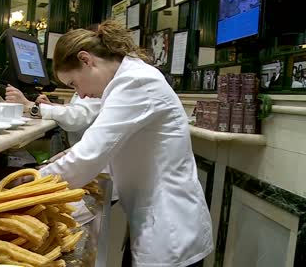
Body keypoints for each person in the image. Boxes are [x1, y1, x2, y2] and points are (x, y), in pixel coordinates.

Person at [37, 20, 213, 266]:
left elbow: (91, 154)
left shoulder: (136, 82)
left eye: (74, 84)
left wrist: (33, 181)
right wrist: (67, 156)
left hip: (170, 228)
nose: (82, 94)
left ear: (87, 60)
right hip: (154, 218)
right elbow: (110, 141)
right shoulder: (128, 80)